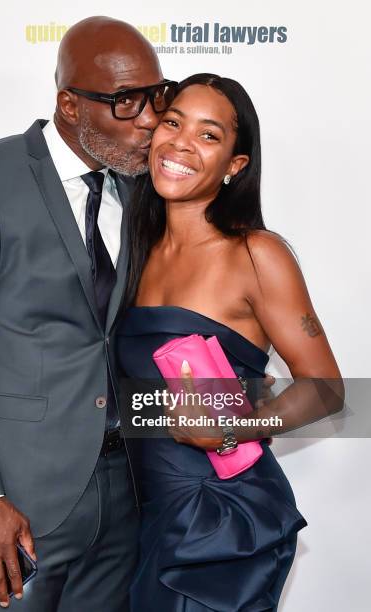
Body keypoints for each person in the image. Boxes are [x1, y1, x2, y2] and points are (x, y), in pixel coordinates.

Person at [0, 16, 179, 611]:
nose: (148, 122)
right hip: (18, 502)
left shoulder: (142, 192)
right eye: (125, 103)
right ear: (69, 104)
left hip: (127, 491)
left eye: (156, 98)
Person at [116, 73, 343, 611]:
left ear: (234, 166)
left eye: (209, 135)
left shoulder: (257, 255)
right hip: (140, 514)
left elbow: (328, 389)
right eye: (173, 123)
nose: (181, 143)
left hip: (215, 520)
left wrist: (232, 426)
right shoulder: (131, 250)